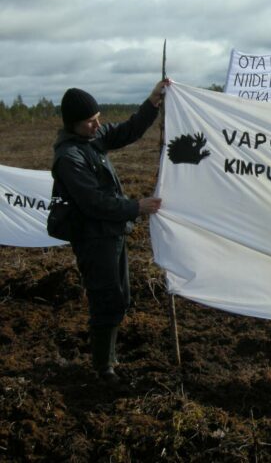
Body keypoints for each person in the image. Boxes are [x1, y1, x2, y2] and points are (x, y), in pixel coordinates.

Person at [50, 80, 169, 384]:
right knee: (106, 300)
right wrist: (136, 207)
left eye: (98, 117)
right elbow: (94, 203)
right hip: (92, 238)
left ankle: (108, 358)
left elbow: (127, 130)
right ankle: (103, 369)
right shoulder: (69, 159)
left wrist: (152, 102)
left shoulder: (92, 138)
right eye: (91, 121)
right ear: (73, 124)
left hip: (111, 233)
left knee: (121, 297)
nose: (97, 124)